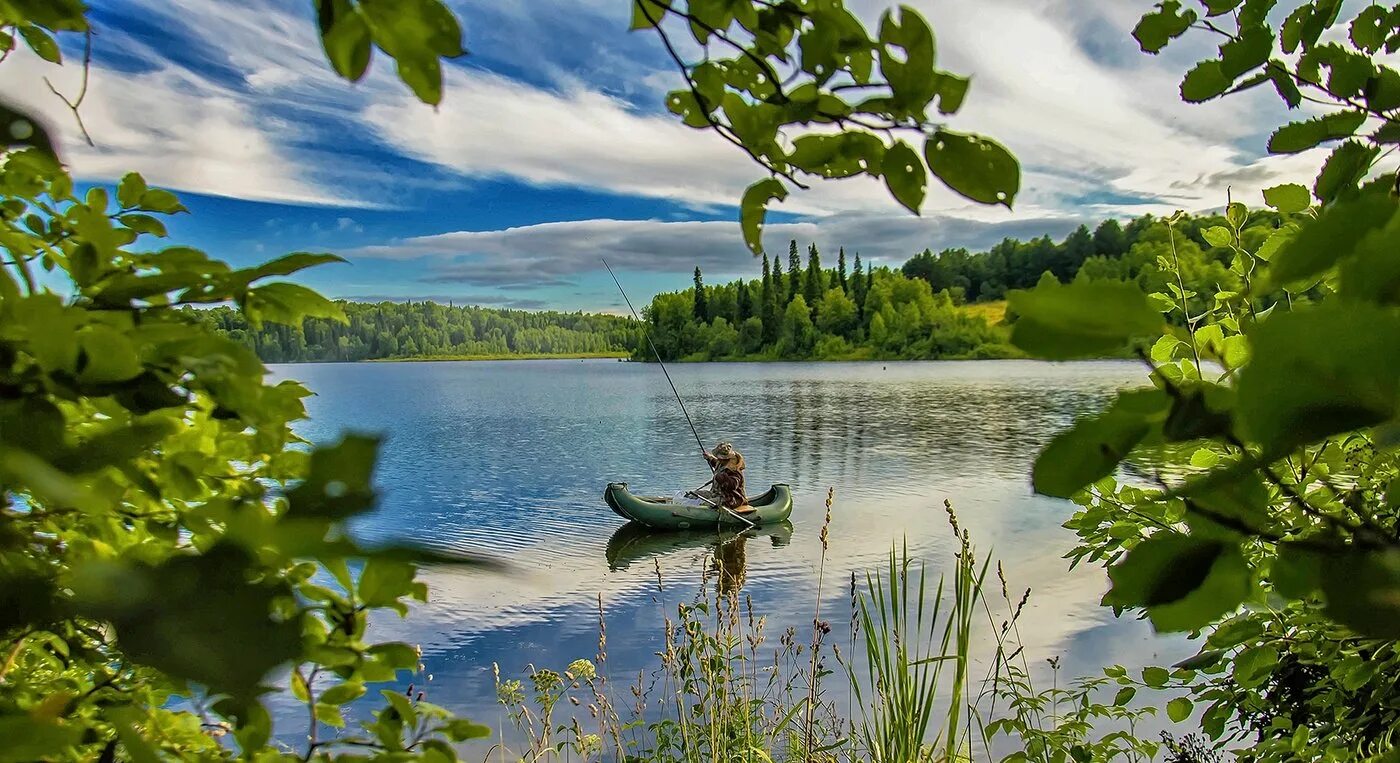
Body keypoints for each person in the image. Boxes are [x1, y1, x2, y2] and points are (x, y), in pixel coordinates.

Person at [701, 441, 751, 512]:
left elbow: (733, 485)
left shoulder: (734, 470)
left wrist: (722, 478)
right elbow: (717, 464)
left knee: (705, 504)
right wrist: (710, 458)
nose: (718, 459)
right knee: (694, 496)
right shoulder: (721, 463)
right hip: (716, 494)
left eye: (720, 458)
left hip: (730, 499)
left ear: (726, 459)